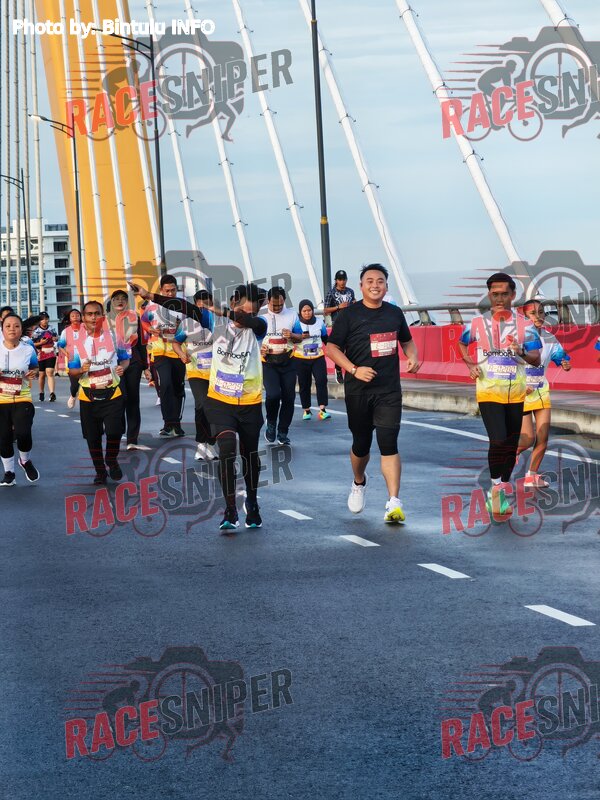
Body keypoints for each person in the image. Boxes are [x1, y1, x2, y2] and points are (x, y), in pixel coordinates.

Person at [130, 280, 268, 531]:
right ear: (234, 303)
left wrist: (228, 312)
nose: (244, 317)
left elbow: (252, 322)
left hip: (250, 402)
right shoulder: (215, 323)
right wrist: (150, 295)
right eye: (241, 310)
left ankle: (253, 501)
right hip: (220, 401)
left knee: (249, 455)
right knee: (227, 449)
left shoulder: (258, 327)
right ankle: (230, 509)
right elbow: (183, 306)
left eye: (250, 312)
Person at [327, 264, 420, 523]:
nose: (375, 285)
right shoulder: (349, 315)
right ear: (361, 286)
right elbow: (332, 348)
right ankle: (359, 481)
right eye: (370, 281)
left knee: (389, 443)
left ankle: (394, 502)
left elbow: (406, 341)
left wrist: (412, 356)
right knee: (361, 444)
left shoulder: (394, 313)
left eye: (380, 281)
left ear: (386, 286)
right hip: (358, 391)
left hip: (388, 390)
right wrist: (354, 370)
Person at [458, 272, 542, 519]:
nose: (499, 299)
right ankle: (496, 488)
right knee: (498, 440)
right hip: (488, 391)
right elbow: (462, 344)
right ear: (489, 295)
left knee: (510, 444)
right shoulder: (477, 324)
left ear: (513, 295)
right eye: (495, 294)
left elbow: (536, 358)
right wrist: (470, 365)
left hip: (516, 393)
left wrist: (521, 351)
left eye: (504, 294)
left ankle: (501, 486)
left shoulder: (525, 326)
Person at [66, 300, 130, 485]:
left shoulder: (115, 337)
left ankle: (111, 459)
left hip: (113, 393)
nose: (93, 317)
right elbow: (72, 371)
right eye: (89, 314)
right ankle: (100, 471)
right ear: (83, 318)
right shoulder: (76, 343)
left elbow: (125, 359)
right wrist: (81, 370)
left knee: (115, 431)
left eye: (97, 313)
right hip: (89, 396)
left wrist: (122, 368)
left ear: (103, 316)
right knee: (92, 438)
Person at [516, 300, 571, 487]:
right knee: (527, 439)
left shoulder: (549, 338)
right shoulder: (518, 337)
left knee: (542, 437)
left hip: (541, 390)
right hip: (521, 393)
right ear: (524, 316)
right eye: (533, 313)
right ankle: (509, 454)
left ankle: (531, 476)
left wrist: (565, 364)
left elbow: (562, 358)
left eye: (541, 312)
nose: (538, 316)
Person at [172, 289, 219, 461]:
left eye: (208, 304)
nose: (204, 307)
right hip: (195, 371)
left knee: (214, 408)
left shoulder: (217, 322)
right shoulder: (187, 324)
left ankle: (211, 444)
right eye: (201, 304)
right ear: (195, 304)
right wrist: (181, 354)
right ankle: (201, 443)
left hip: (216, 372)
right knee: (202, 404)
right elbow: (176, 343)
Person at [140, 274, 186, 437]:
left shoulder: (182, 305)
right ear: (161, 290)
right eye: (167, 291)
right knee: (165, 385)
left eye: (173, 290)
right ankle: (168, 423)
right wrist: (150, 329)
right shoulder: (152, 305)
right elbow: (143, 320)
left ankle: (177, 424)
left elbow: (190, 325)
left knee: (178, 387)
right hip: (160, 351)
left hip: (178, 351)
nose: (170, 293)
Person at [0, 313, 40, 485]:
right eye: (8, 326)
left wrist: (33, 373)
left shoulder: (28, 348)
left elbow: (35, 369)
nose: (12, 329)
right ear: (2, 329)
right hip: (1, 400)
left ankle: (25, 460)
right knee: (4, 437)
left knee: (23, 433)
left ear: (21, 329)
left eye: (16, 326)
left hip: (22, 397)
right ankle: (9, 473)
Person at [107, 290, 148, 450]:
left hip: (133, 363)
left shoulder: (134, 318)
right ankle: (119, 430)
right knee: (120, 398)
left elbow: (142, 343)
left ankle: (132, 438)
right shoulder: (105, 321)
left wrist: (145, 366)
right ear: (112, 302)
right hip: (113, 364)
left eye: (123, 299)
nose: (120, 301)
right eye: (116, 299)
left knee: (132, 399)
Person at [260, 287, 301, 446]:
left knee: (289, 398)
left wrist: (292, 335)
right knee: (273, 395)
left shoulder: (292, 314)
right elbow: (252, 338)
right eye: (274, 305)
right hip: (268, 362)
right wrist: (260, 348)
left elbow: (299, 337)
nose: (277, 308)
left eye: (280, 305)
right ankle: (271, 423)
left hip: (288, 361)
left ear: (284, 301)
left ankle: (283, 431)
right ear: (268, 301)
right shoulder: (260, 315)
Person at [292, 299, 331, 421]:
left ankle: (322, 409)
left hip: (318, 357)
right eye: (304, 311)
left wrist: (333, 349)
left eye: (309, 310)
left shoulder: (319, 322)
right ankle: (306, 410)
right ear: (300, 312)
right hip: (300, 358)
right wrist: (300, 337)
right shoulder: (296, 324)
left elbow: (325, 338)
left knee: (321, 380)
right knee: (304, 383)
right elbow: (292, 339)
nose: (307, 313)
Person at [324, 270, 356, 384]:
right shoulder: (331, 293)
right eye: (340, 280)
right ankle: (338, 370)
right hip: (338, 324)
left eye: (344, 279)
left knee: (351, 348)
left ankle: (350, 370)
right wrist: (338, 307)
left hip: (351, 323)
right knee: (339, 349)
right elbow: (325, 310)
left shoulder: (350, 291)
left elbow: (354, 303)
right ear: (336, 280)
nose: (342, 282)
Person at [58, 309, 83, 409]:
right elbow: (60, 346)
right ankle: (73, 395)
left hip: (86, 359)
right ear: (69, 318)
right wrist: (67, 354)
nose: (75, 317)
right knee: (75, 385)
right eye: (73, 316)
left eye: (77, 315)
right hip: (73, 360)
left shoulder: (86, 328)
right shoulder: (66, 331)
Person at [32, 311, 58, 401]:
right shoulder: (36, 331)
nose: (45, 321)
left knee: (50, 372)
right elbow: (32, 344)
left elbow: (56, 338)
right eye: (42, 319)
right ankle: (41, 392)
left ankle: (52, 393)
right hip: (41, 353)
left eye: (46, 319)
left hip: (51, 352)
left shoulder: (51, 328)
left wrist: (55, 338)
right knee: (42, 374)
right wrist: (41, 343)